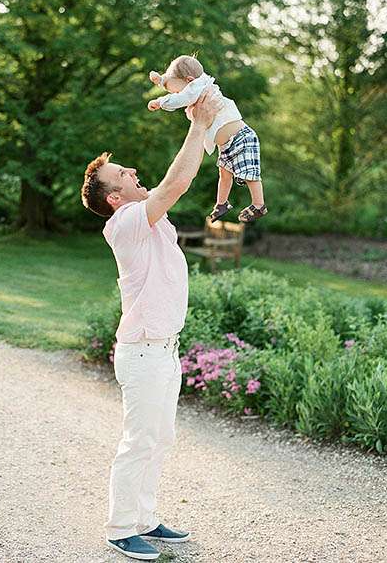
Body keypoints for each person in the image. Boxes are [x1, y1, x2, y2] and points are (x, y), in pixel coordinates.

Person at [80, 87, 222, 561]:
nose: (133, 171)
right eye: (123, 173)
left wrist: (206, 126)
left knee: (161, 438)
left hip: (164, 349)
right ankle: (121, 528)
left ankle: (145, 518)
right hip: (142, 351)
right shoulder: (123, 224)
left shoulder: (152, 222)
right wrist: (197, 125)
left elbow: (173, 184)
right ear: (115, 196)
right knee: (138, 439)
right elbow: (174, 184)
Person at [149, 54, 268, 223]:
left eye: (176, 91)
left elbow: (182, 98)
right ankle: (221, 204)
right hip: (227, 144)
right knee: (224, 175)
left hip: (242, 138)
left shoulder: (196, 87)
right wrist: (161, 80)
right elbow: (175, 81)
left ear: (189, 81)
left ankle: (258, 204)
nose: (176, 94)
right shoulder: (197, 81)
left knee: (250, 174)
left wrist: (160, 102)